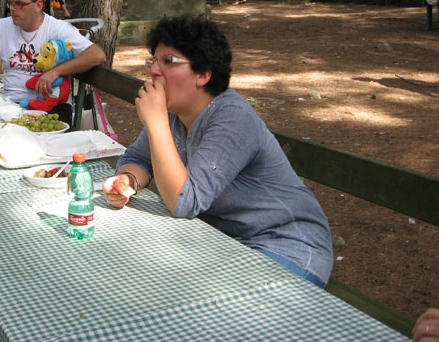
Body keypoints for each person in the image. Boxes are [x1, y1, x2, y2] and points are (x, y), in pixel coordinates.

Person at [102, 15, 333, 287]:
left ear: (203, 74)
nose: (153, 71)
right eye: (153, 60)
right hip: (225, 242)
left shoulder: (231, 117)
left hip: (285, 246)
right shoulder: (175, 114)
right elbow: (137, 158)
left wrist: (156, 124)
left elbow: (185, 202)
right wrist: (128, 180)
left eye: (169, 62)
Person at [0, 0, 106, 124]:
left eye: (20, 4)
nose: (12, 9)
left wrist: (55, 71)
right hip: (9, 105)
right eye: (11, 3)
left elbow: (97, 55)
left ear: (38, 5)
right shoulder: (1, 27)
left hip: (51, 106)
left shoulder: (57, 28)